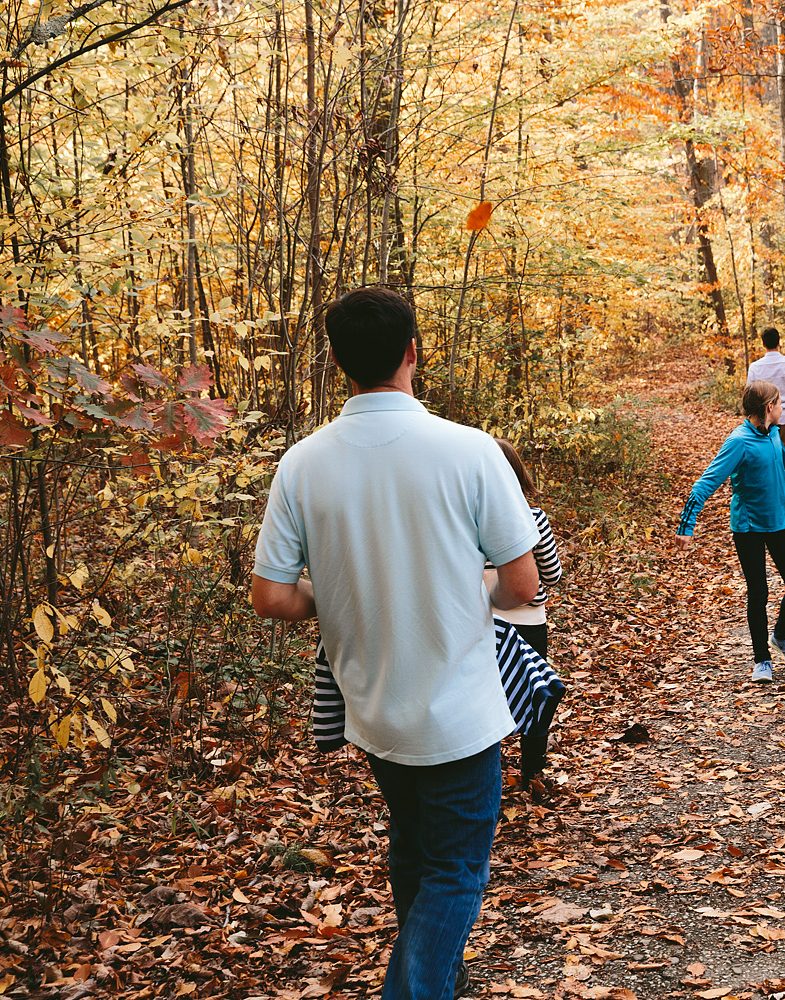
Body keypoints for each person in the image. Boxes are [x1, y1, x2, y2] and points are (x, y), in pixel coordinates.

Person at [251, 286, 541, 999]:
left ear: (335, 361)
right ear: (413, 352)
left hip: (373, 714)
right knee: (454, 875)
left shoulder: (303, 463)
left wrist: (334, 594)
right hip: (460, 715)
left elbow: (271, 597)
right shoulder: (470, 450)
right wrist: (479, 596)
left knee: (414, 853)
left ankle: (438, 973)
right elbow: (523, 583)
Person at [675, 380, 785, 684]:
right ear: (768, 408)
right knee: (759, 592)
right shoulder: (738, 441)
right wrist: (687, 524)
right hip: (748, 528)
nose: (782, 408)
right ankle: (762, 660)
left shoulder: (773, 433)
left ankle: (781, 636)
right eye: (779, 403)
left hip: (779, 522)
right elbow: (706, 482)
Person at [482, 438, 565, 785]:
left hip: (483, 621)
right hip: (529, 621)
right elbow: (553, 574)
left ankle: (488, 773)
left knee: (485, 696)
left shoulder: (464, 522)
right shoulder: (533, 519)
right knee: (535, 694)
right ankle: (533, 771)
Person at [746, 327, 785, 505]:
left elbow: (749, 395)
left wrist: (751, 421)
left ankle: (770, 492)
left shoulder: (755, 367)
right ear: (779, 342)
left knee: (766, 453)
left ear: (763, 344)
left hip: (763, 419)